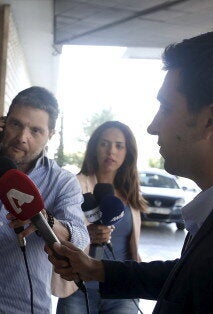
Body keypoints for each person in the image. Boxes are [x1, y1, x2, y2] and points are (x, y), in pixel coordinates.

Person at [46, 30, 213, 313]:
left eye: (165, 107)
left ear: (209, 119)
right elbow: (188, 275)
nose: (152, 126)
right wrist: (97, 269)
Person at [0, 86, 89, 313]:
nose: (22, 138)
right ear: (3, 123)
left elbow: (80, 238)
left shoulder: (62, 182)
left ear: (50, 135)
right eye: (16, 124)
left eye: (36, 131)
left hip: (24, 307)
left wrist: (44, 221)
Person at [55, 121, 147, 314]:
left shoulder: (131, 192)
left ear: (127, 152)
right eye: (104, 144)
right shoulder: (74, 185)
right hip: (78, 288)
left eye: (119, 145)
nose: (111, 151)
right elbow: (58, 232)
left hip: (122, 288)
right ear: (94, 148)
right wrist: (85, 235)